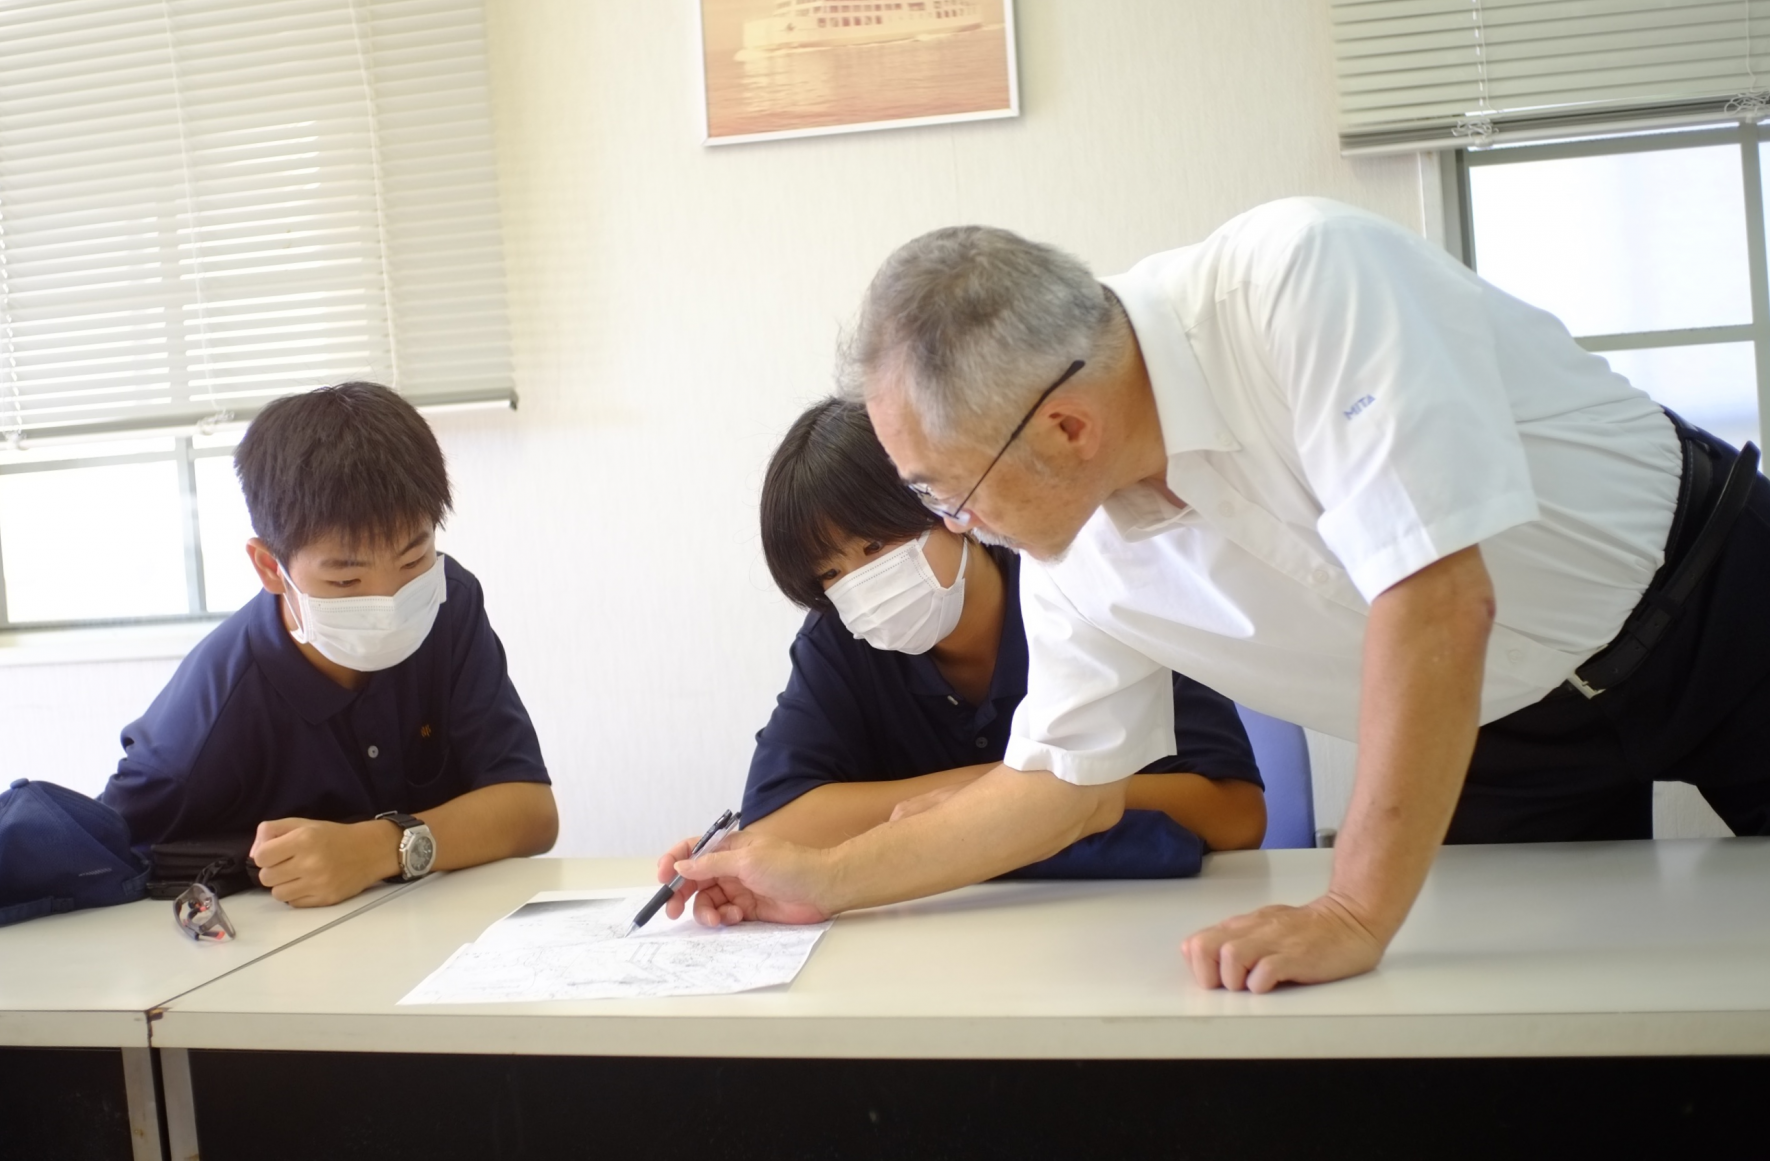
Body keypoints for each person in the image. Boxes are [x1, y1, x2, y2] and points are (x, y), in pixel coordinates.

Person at [663, 198, 1769, 991]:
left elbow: (1437, 598)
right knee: (1536, 1029)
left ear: (1065, 425)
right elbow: (1055, 783)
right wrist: (819, 881)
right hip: (1494, 728)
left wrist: (1351, 906)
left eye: (951, 493)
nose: (958, 526)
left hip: (1719, 599)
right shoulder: (1074, 546)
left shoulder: (1299, 280)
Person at [728, 397, 1263, 866]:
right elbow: (776, 823)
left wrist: (1011, 801)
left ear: (949, 507)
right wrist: (1003, 793)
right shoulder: (842, 639)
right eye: (830, 574)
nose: (861, 585)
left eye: (873, 546)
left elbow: (1237, 814)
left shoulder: (1083, 585)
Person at [102, 382, 557, 907]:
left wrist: (378, 848)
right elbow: (104, 863)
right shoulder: (207, 717)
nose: (390, 601)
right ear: (270, 567)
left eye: (413, 561)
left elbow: (531, 813)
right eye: (346, 582)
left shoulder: (448, 604)